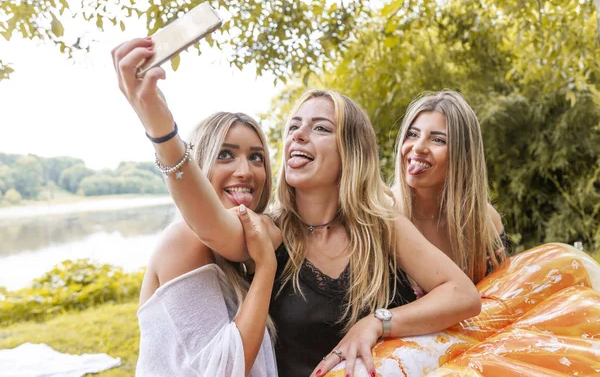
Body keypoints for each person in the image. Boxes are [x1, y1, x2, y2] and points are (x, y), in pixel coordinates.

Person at [112, 37, 481, 377]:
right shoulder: (269, 231)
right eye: (293, 127)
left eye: (320, 128)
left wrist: (376, 323)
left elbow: (463, 295)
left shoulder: (382, 225)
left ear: (350, 151)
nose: (298, 136)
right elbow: (206, 223)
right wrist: (160, 128)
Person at [132, 111, 279, 376]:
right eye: (225, 154)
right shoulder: (183, 241)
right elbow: (226, 370)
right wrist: (267, 265)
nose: (245, 171)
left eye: (256, 157)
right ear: (198, 168)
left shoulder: (238, 249)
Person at [393, 90, 509, 289]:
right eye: (412, 134)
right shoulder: (381, 216)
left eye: (438, 140)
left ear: (463, 155)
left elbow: (505, 296)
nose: (418, 147)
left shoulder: (484, 220)